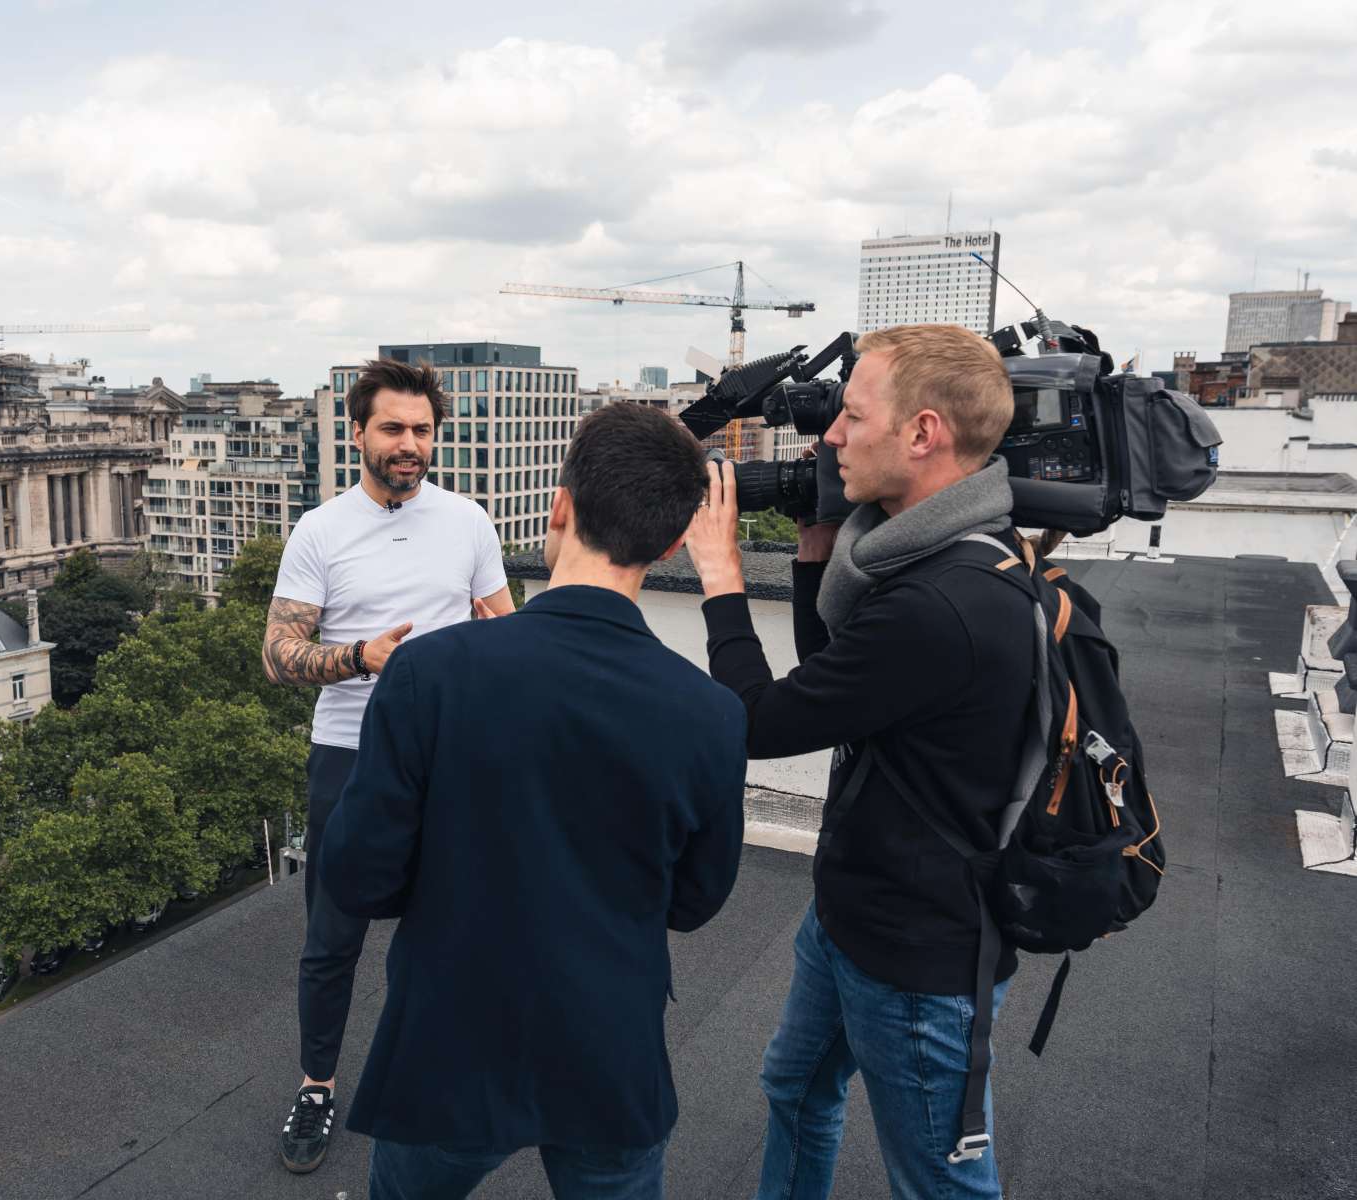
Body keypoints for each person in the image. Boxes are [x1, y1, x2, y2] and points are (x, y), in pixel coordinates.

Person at [320, 402, 748, 1200]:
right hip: (607, 1052)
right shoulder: (712, 713)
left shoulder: (428, 673)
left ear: (560, 508)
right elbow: (694, 902)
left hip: (447, 1041)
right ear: (666, 545)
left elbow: (357, 879)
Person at [684, 324, 1033, 1199]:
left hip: (917, 955)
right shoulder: (947, 556)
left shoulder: (940, 603)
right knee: (796, 1088)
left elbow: (758, 721)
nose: (830, 436)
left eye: (849, 415)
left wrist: (722, 577)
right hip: (854, 911)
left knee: (941, 1183)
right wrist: (816, 541)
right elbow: (841, 676)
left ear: (922, 433)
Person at [264, 357, 514, 1175]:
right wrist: (361, 659)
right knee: (331, 939)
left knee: (449, 930)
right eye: (393, 429)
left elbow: (502, 633)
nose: (409, 444)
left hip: (448, 755)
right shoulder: (320, 529)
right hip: (348, 753)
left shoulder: (469, 521)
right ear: (359, 432)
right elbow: (278, 654)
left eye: (421, 431)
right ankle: (316, 1085)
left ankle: (438, 1074)